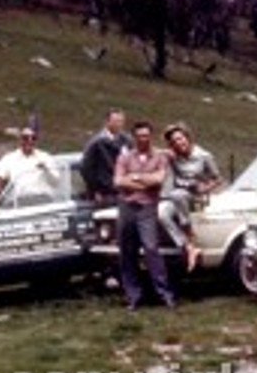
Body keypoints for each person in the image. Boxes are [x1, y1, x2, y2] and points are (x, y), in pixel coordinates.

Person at [114, 120, 175, 309]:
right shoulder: (125, 157)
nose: (144, 139)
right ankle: (134, 296)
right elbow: (118, 181)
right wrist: (144, 182)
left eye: (147, 136)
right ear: (134, 137)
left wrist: (135, 177)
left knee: (151, 249)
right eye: (140, 136)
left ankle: (164, 294)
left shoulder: (159, 157)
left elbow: (159, 179)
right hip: (127, 207)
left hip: (148, 207)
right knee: (127, 252)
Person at [159, 122, 224, 272]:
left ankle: (190, 237)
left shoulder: (204, 155)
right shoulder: (174, 156)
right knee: (162, 213)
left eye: (180, 138)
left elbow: (218, 179)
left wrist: (205, 188)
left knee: (176, 195)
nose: (179, 143)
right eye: (174, 141)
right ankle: (187, 246)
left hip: (198, 199)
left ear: (187, 137)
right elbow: (156, 152)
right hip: (180, 199)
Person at [0, 127, 60, 215]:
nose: (29, 141)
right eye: (25, 138)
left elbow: (56, 182)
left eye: (33, 138)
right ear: (20, 140)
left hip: (43, 202)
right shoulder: (9, 159)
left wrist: (46, 169)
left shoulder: (45, 157)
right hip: (19, 204)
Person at [79, 108, 132, 206]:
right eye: (116, 121)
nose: (119, 125)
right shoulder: (96, 142)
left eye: (121, 122)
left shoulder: (127, 140)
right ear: (107, 122)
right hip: (105, 192)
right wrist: (95, 190)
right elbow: (86, 167)